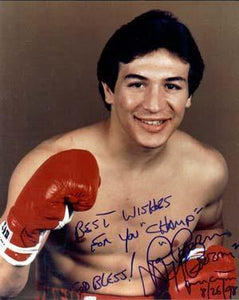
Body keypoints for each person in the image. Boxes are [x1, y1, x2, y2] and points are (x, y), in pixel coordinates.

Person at [0, 9, 234, 300]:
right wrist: (20, 236)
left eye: (172, 86)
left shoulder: (207, 170)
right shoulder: (45, 164)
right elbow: (3, 285)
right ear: (109, 90)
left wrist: (203, 264)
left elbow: (209, 229)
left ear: (188, 96)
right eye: (137, 84)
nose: (153, 105)